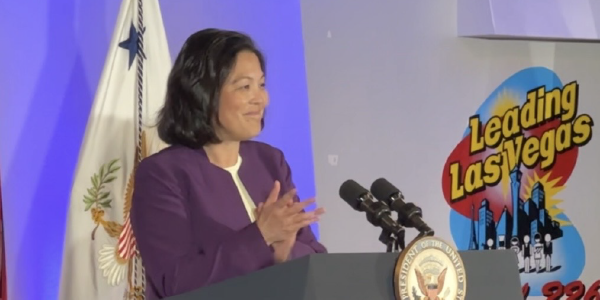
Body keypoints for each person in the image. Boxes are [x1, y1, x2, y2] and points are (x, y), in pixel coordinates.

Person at [130, 28, 327, 300]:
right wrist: (260, 237)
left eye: (261, 84)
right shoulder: (163, 174)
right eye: (245, 87)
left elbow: (315, 255)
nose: (261, 99)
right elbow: (175, 281)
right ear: (203, 93)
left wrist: (285, 253)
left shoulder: (270, 161)